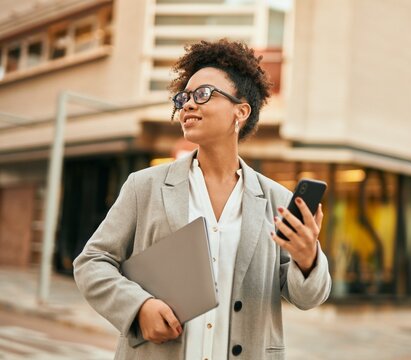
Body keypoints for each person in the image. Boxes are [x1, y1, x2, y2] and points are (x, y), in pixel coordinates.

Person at [73, 39, 332, 360]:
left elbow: (307, 298)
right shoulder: (145, 187)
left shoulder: (275, 200)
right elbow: (92, 262)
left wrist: (306, 260)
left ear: (241, 111)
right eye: (184, 97)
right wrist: (139, 306)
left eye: (203, 94)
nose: (188, 105)